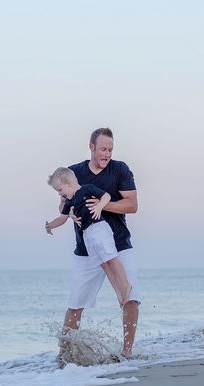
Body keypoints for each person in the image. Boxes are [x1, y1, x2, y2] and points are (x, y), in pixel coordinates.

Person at [61, 127, 140, 358]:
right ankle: (65, 357)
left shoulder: (120, 169)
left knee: (131, 298)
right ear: (91, 147)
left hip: (118, 244)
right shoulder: (74, 172)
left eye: (111, 150)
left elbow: (132, 205)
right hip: (86, 249)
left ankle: (127, 353)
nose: (107, 154)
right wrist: (71, 214)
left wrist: (102, 204)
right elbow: (63, 206)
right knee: (75, 304)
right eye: (103, 149)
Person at [45, 167, 132, 305]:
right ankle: (118, 291)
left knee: (111, 258)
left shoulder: (87, 189)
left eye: (60, 190)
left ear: (69, 183)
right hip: (87, 235)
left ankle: (126, 285)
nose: (60, 194)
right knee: (103, 264)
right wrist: (50, 225)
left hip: (99, 229)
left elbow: (106, 196)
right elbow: (62, 218)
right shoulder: (69, 202)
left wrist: (99, 207)